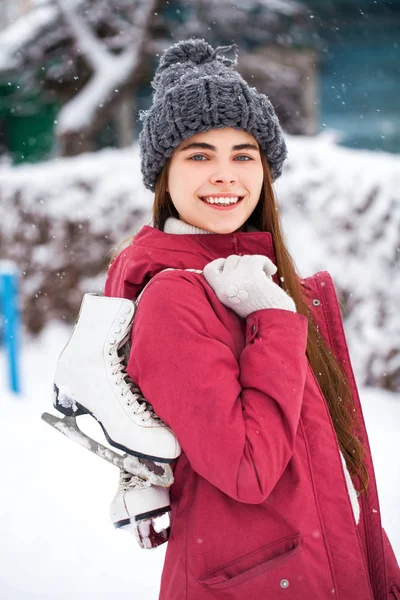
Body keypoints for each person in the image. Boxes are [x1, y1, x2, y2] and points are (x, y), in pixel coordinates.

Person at [105, 39, 400, 599]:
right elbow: (248, 469)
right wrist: (272, 318)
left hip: (328, 570)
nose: (226, 175)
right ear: (163, 175)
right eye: (198, 155)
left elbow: (326, 463)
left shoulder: (255, 279)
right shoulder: (176, 297)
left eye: (244, 155)